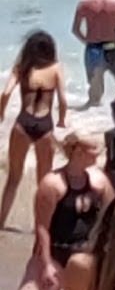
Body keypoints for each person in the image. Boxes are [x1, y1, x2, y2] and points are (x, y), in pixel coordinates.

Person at [0, 129, 113, 290]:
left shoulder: (99, 181)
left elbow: (112, 219)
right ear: (78, 151)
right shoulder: (52, 183)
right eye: (93, 150)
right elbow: (42, 228)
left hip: (86, 261)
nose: (98, 154)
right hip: (55, 256)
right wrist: (45, 265)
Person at [0, 32, 68, 229]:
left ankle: (1, 222)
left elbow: (5, 93)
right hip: (44, 126)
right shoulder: (55, 68)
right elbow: (63, 99)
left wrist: (1, 113)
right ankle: (42, 226)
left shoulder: (21, 68)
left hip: (23, 123)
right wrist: (62, 120)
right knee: (43, 181)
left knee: (13, 177)